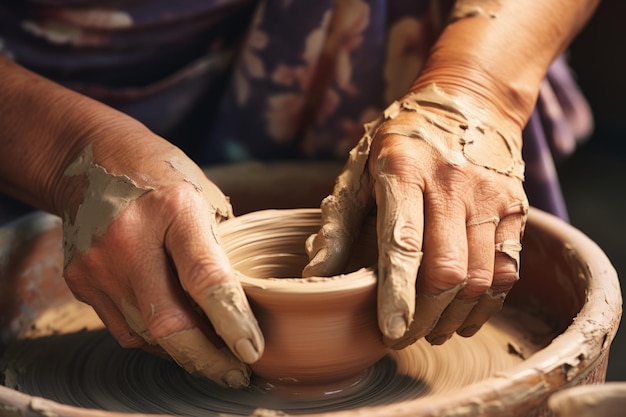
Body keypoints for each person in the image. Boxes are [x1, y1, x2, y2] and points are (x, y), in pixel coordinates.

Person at [0, 0, 597, 388]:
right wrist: (63, 152)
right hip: (64, 90)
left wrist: (477, 90)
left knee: (443, 247)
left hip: (456, 46)